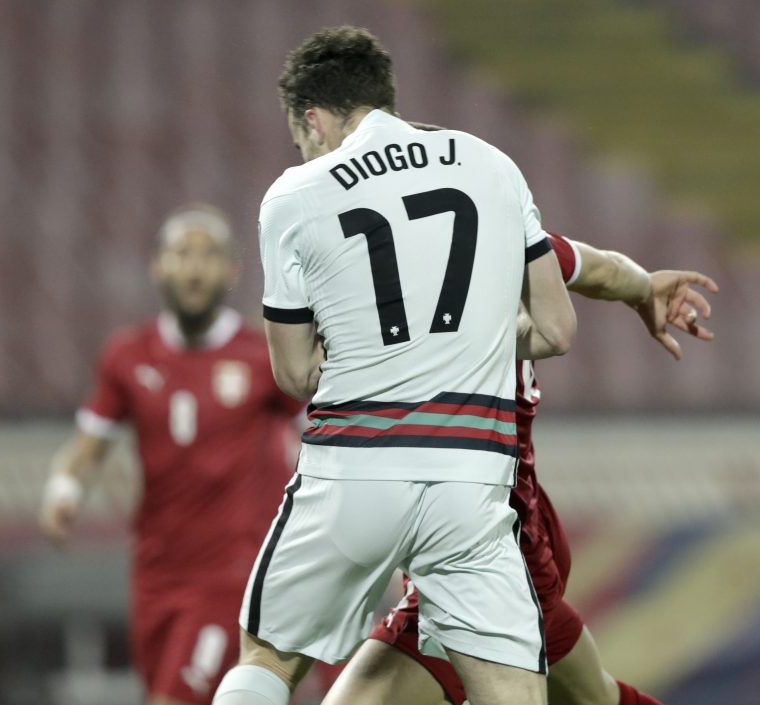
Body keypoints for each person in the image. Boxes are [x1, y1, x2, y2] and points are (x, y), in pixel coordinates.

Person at [212, 26, 576, 705]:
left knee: (269, 656)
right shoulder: (492, 165)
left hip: (354, 469)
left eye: (301, 136)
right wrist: (469, 341)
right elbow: (556, 329)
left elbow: (293, 375)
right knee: (513, 692)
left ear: (313, 119)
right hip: (470, 477)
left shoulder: (295, 194)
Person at [323, 232, 717, 705]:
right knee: (593, 696)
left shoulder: (413, 278)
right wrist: (642, 286)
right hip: (505, 536)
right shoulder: (496, 234)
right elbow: (595, 268)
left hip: (485, 555)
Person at [39, 204, 302, 705]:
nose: (195, 267)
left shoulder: (261, 355)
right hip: (155, 572)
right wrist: (64, 490)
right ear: (158, 266)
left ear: (232, 270)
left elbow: (317, 428)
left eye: (209, 255)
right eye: (182, 253)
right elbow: (87, 447)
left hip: (230, 575)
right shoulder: (128, 355)